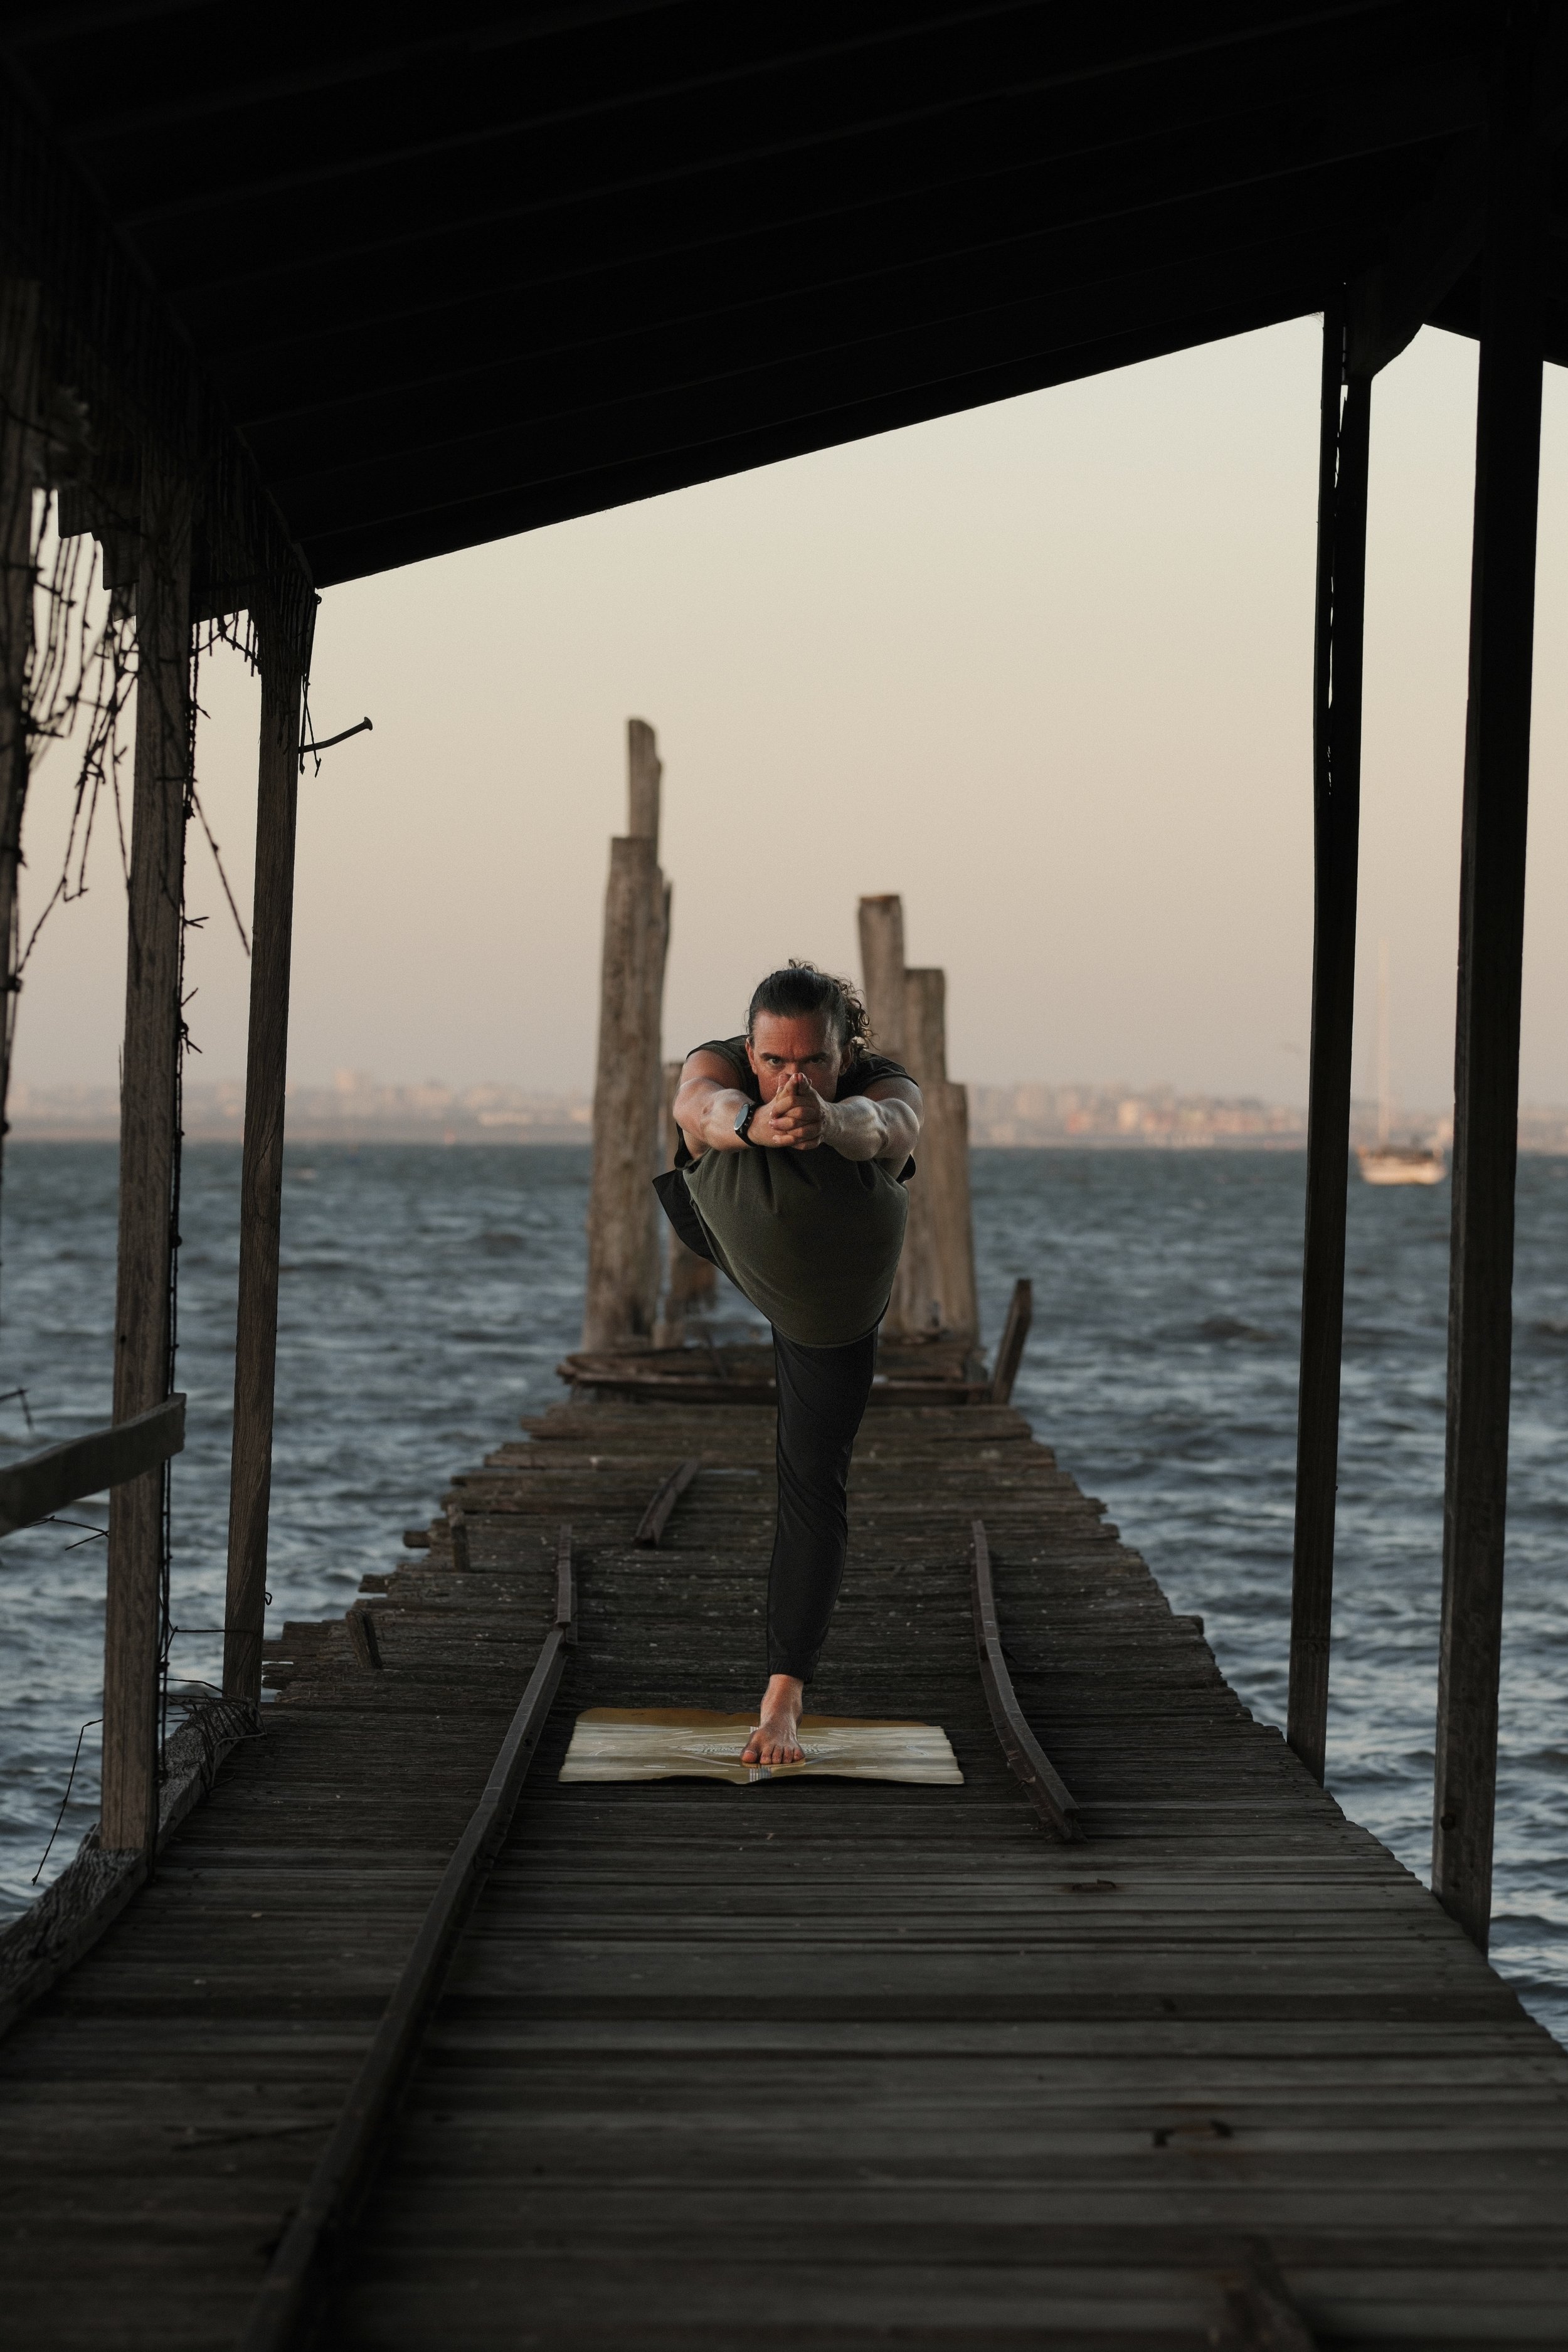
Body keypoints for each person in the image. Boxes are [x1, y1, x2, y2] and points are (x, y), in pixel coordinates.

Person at [666, 963, 922, 1767]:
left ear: (844, 1054)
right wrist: (750, 1123)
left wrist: (827, 1122)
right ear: (752, 1046)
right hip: (735, 1231)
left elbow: (889, 1131)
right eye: (775, 1060)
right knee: (692, 1131)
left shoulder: (880, 1084)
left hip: (830, 1293)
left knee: (812, 1479)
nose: (791, 1076)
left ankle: (782, 1701)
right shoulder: (725, 1066)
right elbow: (699, 1106)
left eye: (811, 1061)